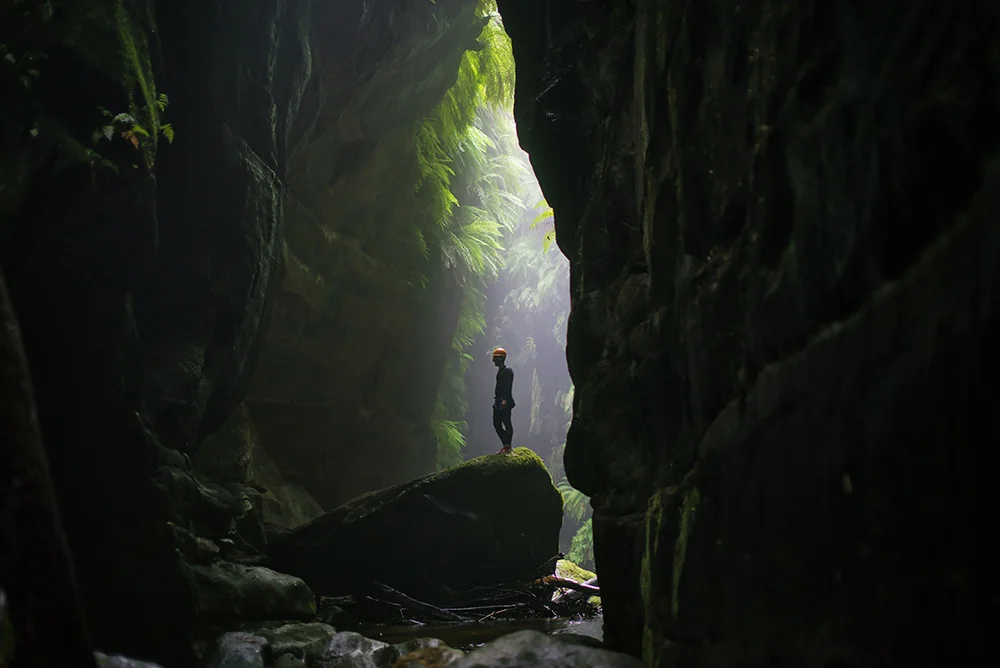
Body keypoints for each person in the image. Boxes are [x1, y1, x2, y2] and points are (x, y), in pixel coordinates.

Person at [491, 347, 516, 454]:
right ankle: (505, 444)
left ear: (500, 358)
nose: (493, 361)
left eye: (495, 358)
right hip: (498, 401)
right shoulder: (501, 371)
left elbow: (508, 387)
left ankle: (508, 445)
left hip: (504, 401)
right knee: (496, 423)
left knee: (506, 422)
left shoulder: (508, 371)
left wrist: (505, 400)